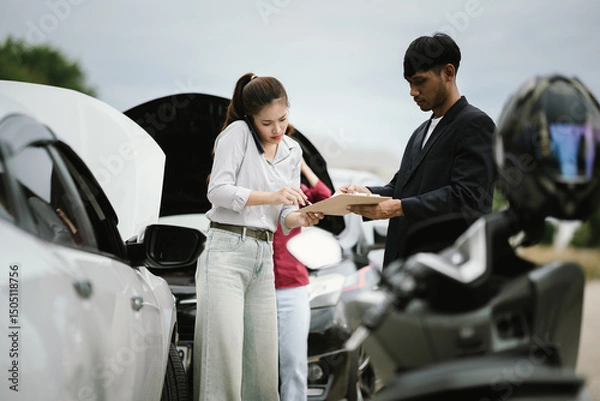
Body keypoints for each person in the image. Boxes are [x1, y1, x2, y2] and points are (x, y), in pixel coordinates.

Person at [193, 72, 324, 401]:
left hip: (263, 257)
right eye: (267, 123)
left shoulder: (291, 150)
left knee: (263, 368)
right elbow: (218, 191)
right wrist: (274, 196)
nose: (277, 130)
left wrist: (301, 217)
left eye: (282, 119)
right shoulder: (236, 134)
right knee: (223, 361)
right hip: (225, 252)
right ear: (251, 117)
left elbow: (283, 216)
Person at [339, 33, 496, 267]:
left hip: (447, 272)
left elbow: (468, 198)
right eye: (409, 83)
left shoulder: (475, 124)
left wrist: (399, 208)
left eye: (420, 81)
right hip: (402, 272)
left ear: (448, 73)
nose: (412, 91)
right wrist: (367, 193)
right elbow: (400, 188)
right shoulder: (420, 132)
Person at [273, 157, 331, 401]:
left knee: (294, 362)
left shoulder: (297, 191)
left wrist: (302, 165)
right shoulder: (255, 189)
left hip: (292, 287)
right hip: (256, 285)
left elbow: (324, 196)